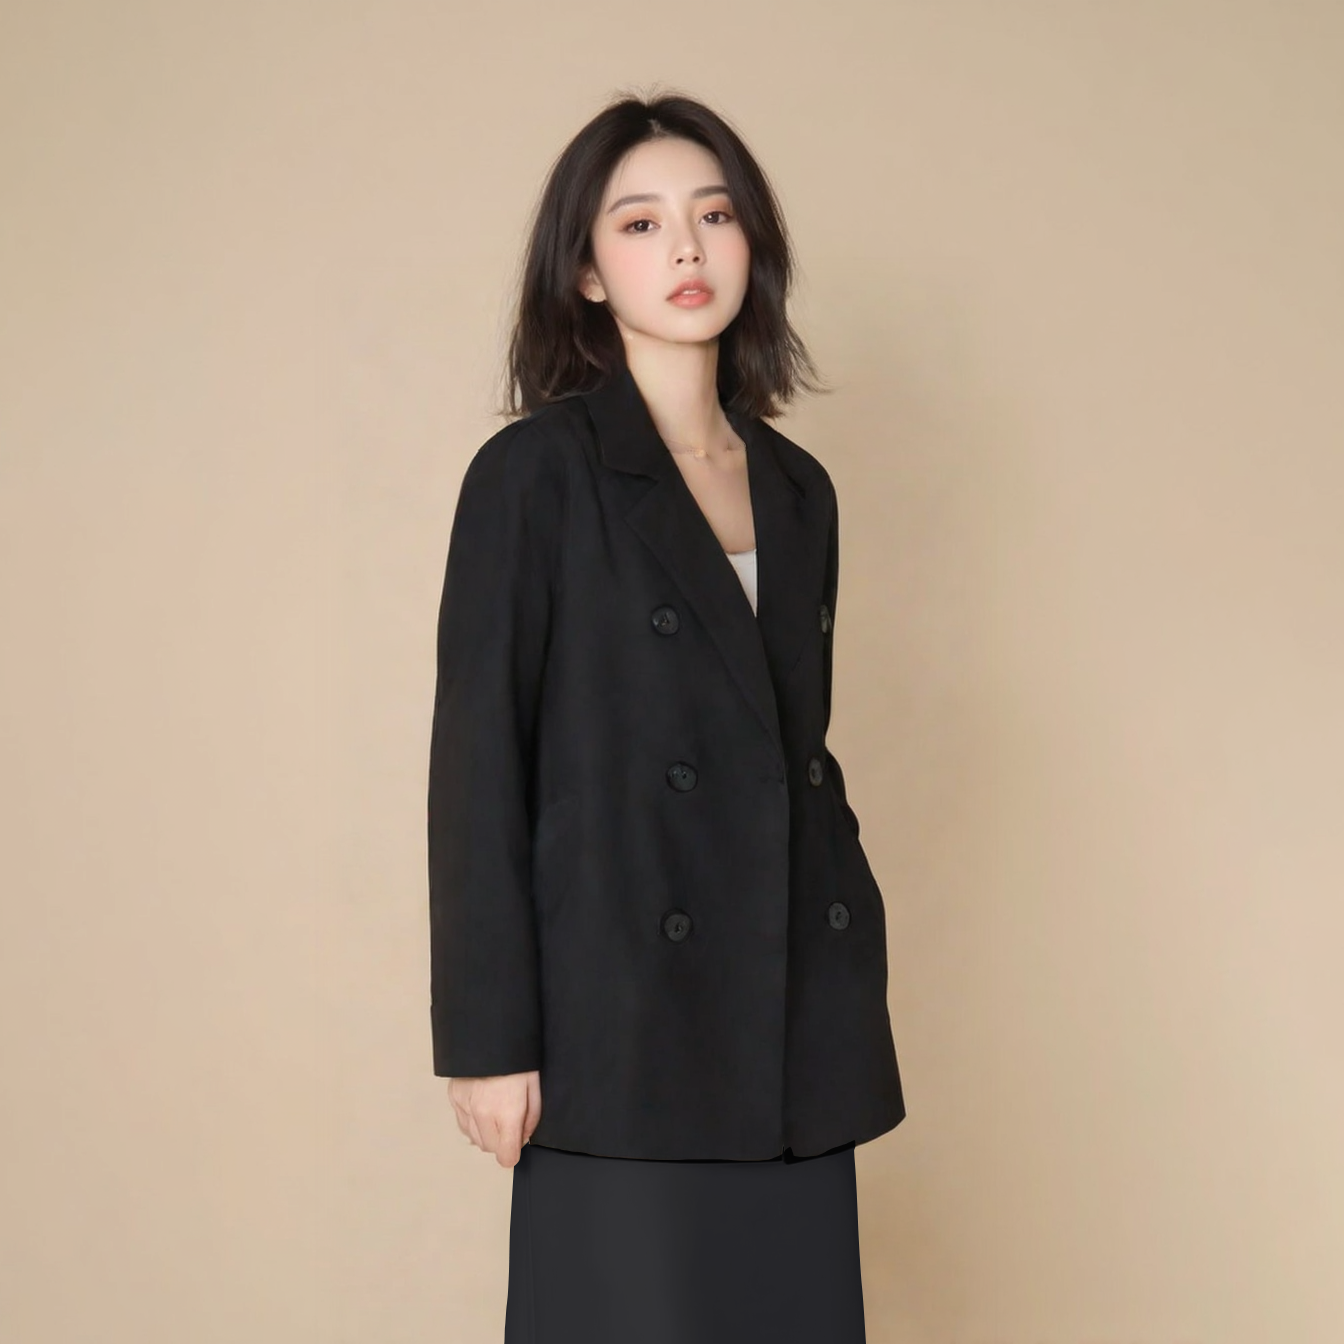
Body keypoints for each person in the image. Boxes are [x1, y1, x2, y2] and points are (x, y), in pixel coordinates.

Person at [427, 88, 905, 1344]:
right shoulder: (535, 476)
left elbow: (788, 749)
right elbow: (478, 766)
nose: (686, 247)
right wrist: (486, 1040)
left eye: (715, 215)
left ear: (753, 244)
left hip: (792, 1018)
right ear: (586, 272)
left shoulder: (798, 490)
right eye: (639, 224)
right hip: (620, 1020)